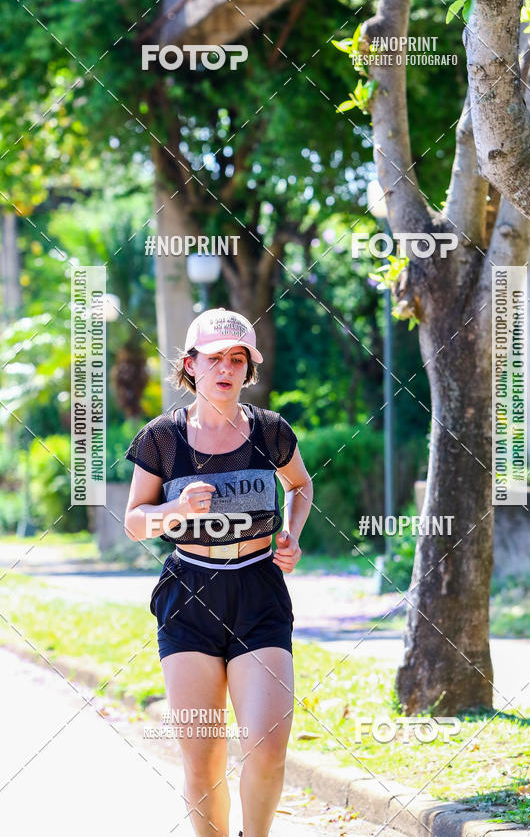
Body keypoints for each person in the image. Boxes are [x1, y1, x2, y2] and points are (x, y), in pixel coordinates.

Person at [124, 308, 313, 837]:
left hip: (258, 589)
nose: (226, 369)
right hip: (189, 594)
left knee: (268, 744)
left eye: (237, 358)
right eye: (214, 359)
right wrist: (174, 511)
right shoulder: (163, 437)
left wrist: (292, 535)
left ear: (248, 367)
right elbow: (136, 522)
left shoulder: (270, 431)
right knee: (203, 762)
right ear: (190, 365)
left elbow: (300, 486)